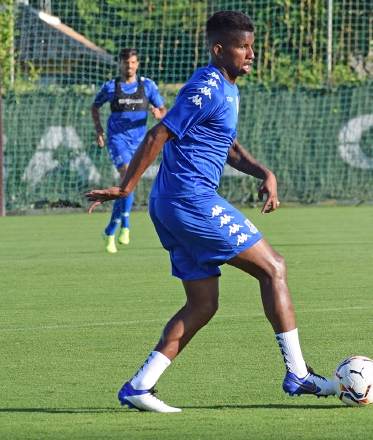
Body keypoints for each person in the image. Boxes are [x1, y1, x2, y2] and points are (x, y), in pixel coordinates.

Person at [85, 11, 336, 413]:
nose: (251, 54)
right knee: (274, 268)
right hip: (191, 201)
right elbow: (159, 132)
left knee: (203, 304)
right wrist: (125, 187)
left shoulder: (227, 87)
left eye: (252, 46)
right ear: (219, 50)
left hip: (172, 205)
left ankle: (139, 386)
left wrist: (264, 171)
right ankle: (298, 374)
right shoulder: (207, 86)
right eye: (242, 47)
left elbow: (228, 145)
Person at [91, 47, 167, 253]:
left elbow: (162, 109)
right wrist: (99, 129)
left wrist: (159, 114)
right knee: (127, 175)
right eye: (126, 62)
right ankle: (123, 225)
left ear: (137, 64)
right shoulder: (110, 87)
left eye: (133, 62)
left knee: (128, 185)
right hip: (117, 141)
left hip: (140, 144)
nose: (130, 66)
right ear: (120, 64)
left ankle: (111, 229)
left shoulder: (147, 86)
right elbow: (95, 106)